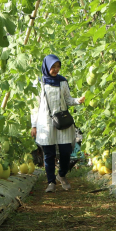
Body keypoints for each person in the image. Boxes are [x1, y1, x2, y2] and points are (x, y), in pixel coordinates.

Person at [30, 54, 85, 192]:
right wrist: (34, 125)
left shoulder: (62, 81)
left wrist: (78, 100)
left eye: (58, 66)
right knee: (49, 154)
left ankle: (61, 175)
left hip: (62, 121)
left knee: (66, 151)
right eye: (53, 67)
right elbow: (33, 106)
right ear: (46, 66)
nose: (56, 70)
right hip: (45, 122)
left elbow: (68, 100)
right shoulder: (38, 83)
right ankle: (51, 182)